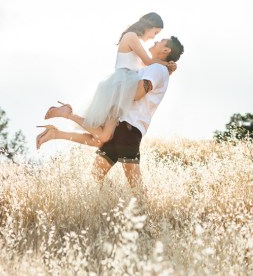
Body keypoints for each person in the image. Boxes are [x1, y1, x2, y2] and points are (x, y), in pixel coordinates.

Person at [36, 36, 184, 187]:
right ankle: (61, 125)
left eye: (160, 41)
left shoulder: (157, 69)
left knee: (117, 181)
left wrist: (113, 95)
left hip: (127, 128)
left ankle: (61, 125)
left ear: (166, 50)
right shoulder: (154, 68)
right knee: (115, 182)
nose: (155, 41)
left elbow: (139, 92)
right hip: (124, 128)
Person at [43, 13, 176, 144]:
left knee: (101, 140)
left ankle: (55, 133)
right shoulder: (131, 36)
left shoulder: (135, 41)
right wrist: (167, 64)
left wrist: (166, 70)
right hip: (119, 88)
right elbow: (147, 61)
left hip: (123, 89)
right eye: (155, 32)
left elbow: (146, 69)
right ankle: (67, 113)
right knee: (104, 137)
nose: (153, 37)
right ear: (149, 25)